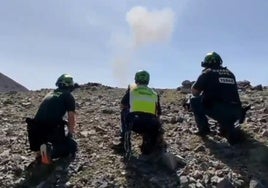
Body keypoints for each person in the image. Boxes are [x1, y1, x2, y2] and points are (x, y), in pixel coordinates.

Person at [190, 52, 244, 145]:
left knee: (194, 100)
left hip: (219, 110)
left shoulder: (207, 72)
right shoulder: (230, 73)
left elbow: (195, 92)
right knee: (225, 118)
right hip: (237, 111)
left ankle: (204, 130)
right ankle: (227, 128)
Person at [26, 74, 78, 164]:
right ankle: (50, 152)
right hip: (50, 127)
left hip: (34, 128)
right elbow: (71, 117)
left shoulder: (50, 93)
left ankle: (40, 153)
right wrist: (70, 133)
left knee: (43, 143)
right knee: (71, 146)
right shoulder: (68, 96)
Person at [113, 70, 164, 155]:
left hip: (135, 122)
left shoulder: (132, 89)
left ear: (136, 79)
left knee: (124, 111)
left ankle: (125, 144)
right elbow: (158, 113)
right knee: (154, 119)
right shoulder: (154, 93)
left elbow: (122, 105)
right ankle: (149, 145)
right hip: (151, 125)